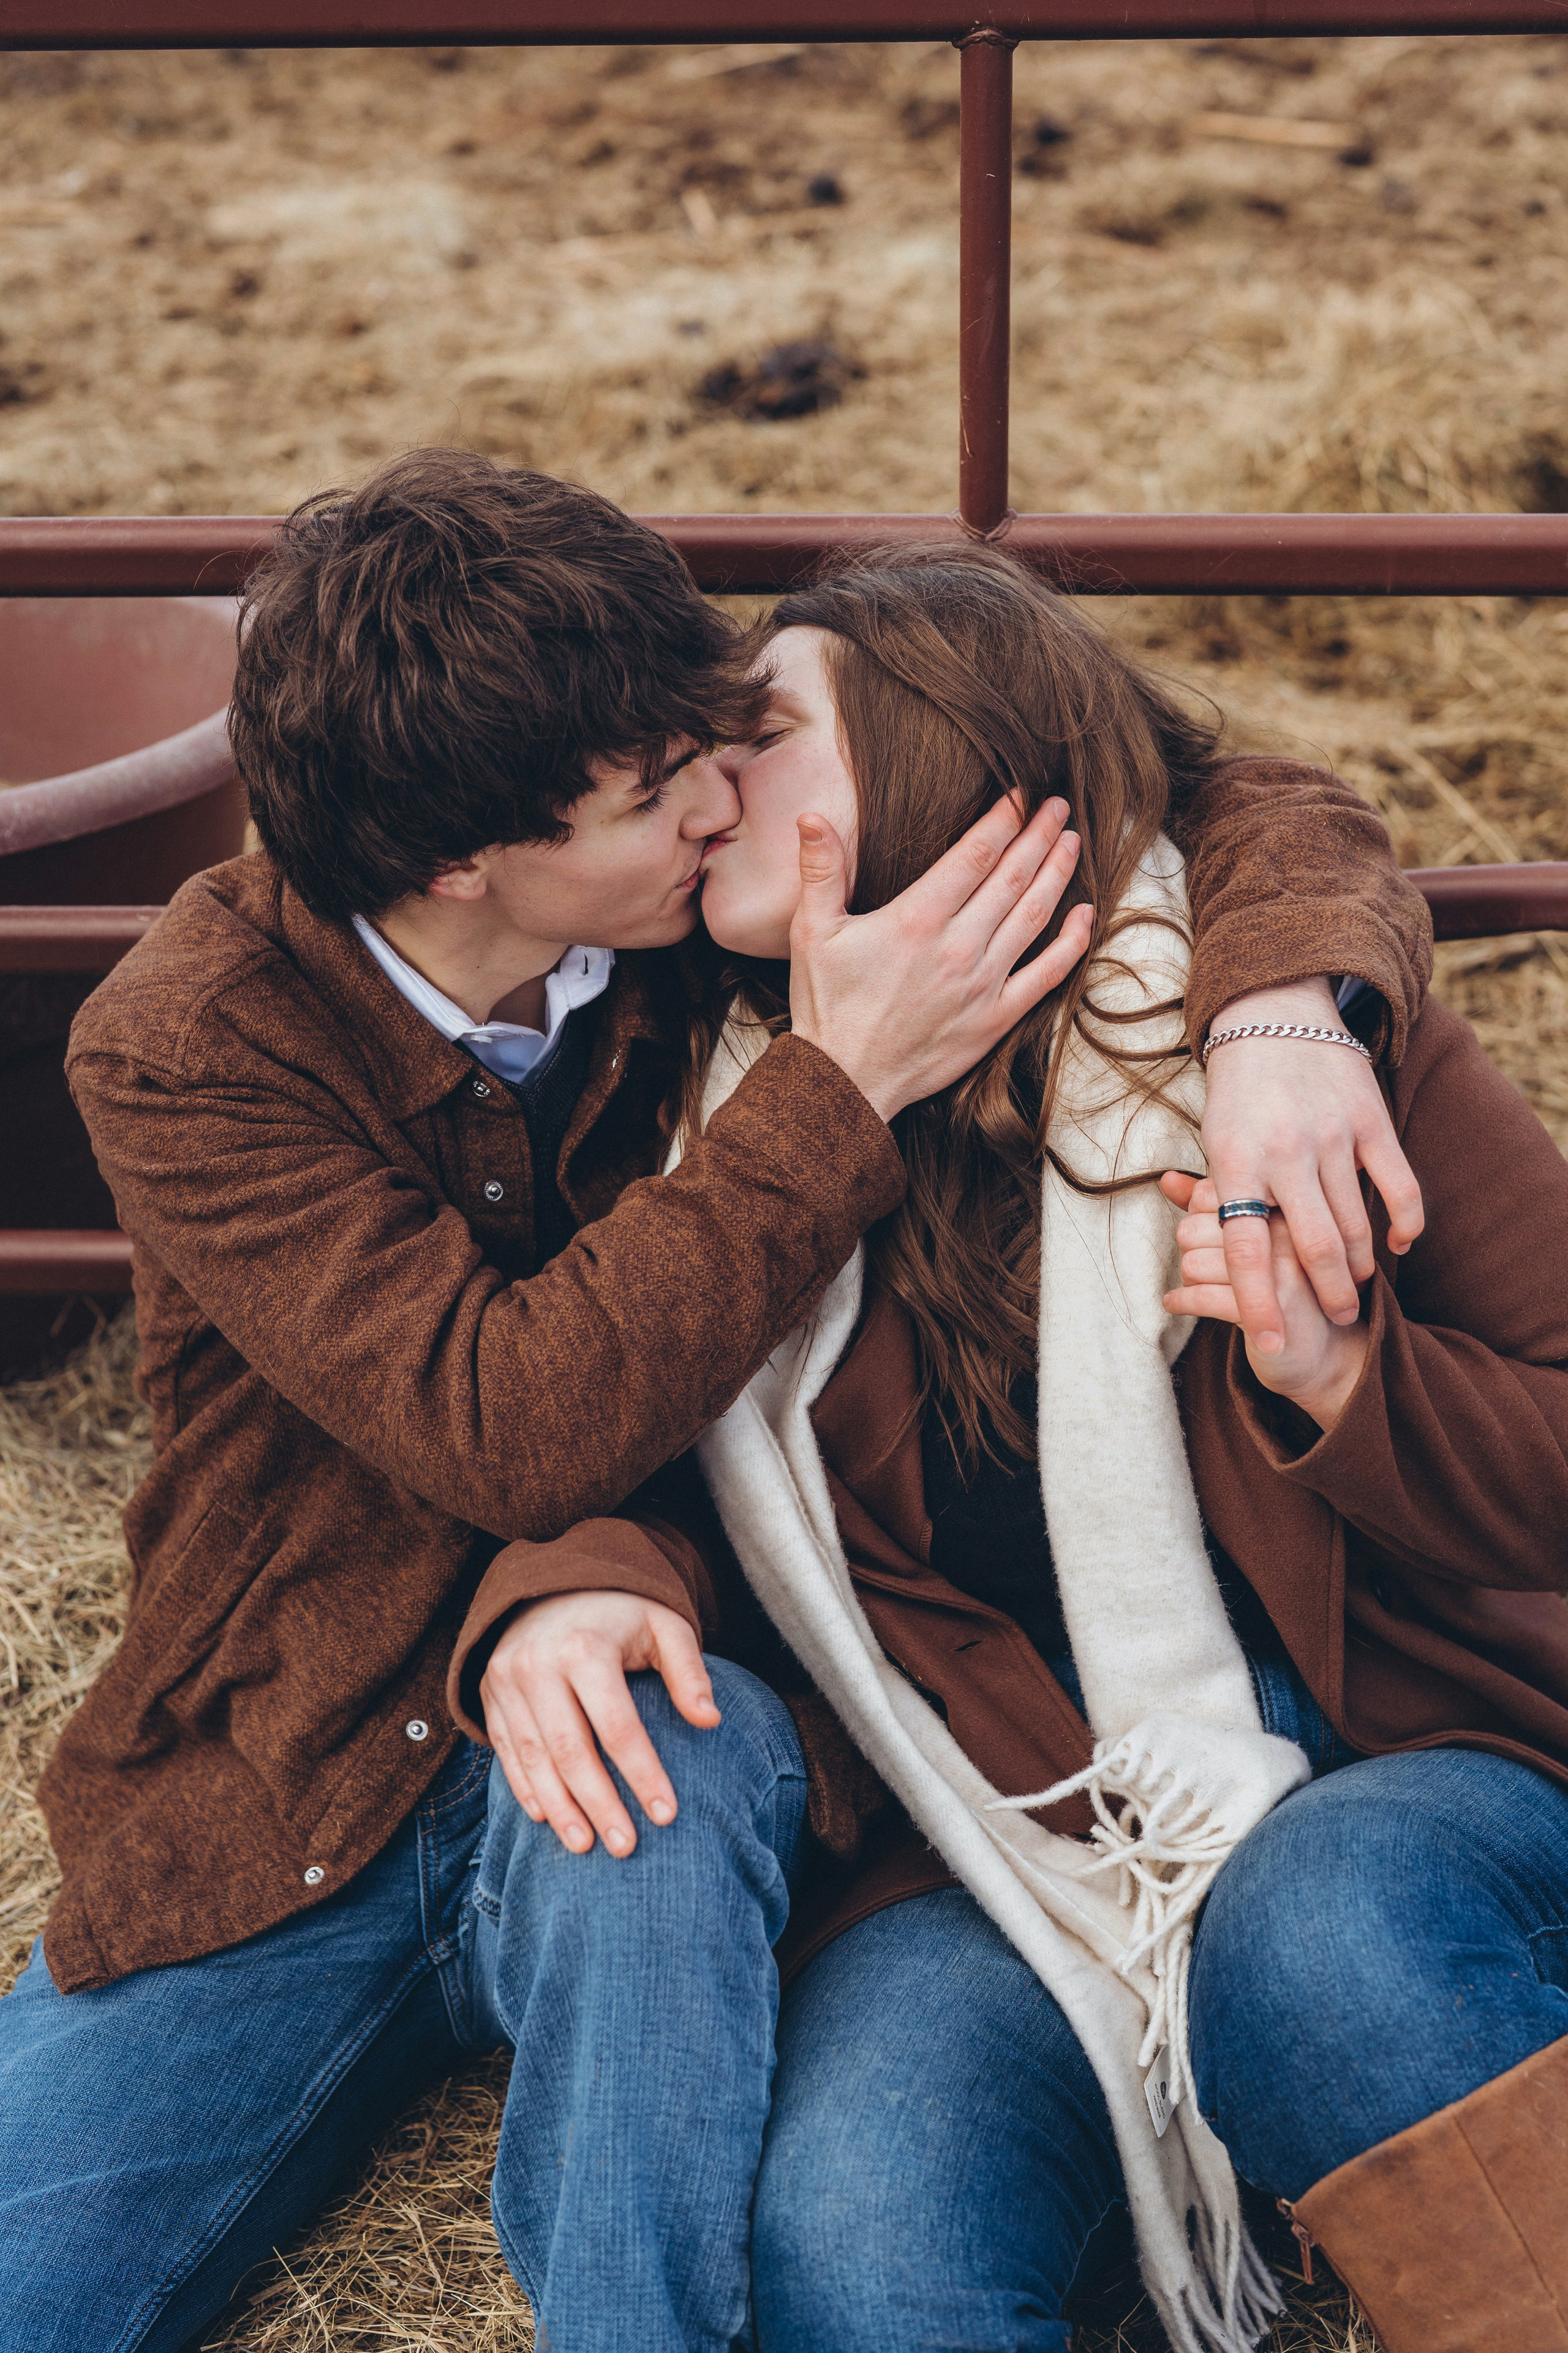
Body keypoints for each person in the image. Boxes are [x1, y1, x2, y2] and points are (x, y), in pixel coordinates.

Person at [0, 458, 1430, 2353]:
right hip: (291, 1775)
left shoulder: (680, 926)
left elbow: (1211, 787)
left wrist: (1279, 1012)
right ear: (464, 867)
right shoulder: (189, 1045)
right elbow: (502, 1419)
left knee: (674, 1782)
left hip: (646, 1730)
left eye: (704, 732)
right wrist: (835, 1087)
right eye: (653, 783)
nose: (717, 793)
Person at [451, 544, 1568, 2353]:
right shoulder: (682, 1083)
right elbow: (608, 1403)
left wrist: (1352, 1379)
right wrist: (578, 1584)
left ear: (934, 764)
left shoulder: (1270, 1038)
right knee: (856, 2236)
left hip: (1405, 1751)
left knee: (1321, 1935)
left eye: (763, 733)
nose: (712, 779)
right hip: (999, 1833)